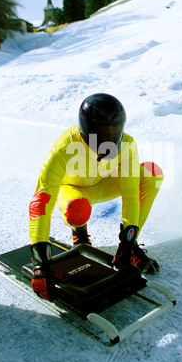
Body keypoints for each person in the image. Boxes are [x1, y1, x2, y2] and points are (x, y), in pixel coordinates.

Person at [29, 93, 164, 300]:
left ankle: (132, 246)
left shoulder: (127, 144)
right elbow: (41, 202)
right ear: (87, 130)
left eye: (115, 131)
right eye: (102, 132)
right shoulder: (64, 147)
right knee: (78, 210)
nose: (109, 139)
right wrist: (40, 264)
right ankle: (79, 230)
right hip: (74, 190)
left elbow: (130, 194)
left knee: (152, 174)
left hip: (103, 184)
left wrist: (128, 242)